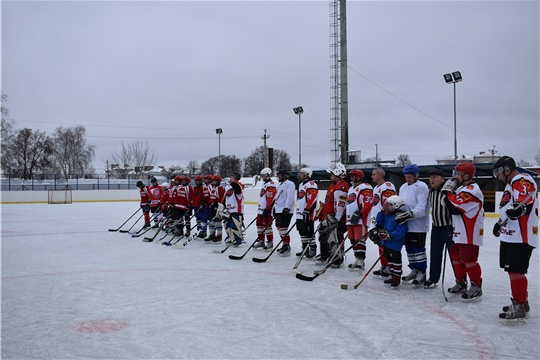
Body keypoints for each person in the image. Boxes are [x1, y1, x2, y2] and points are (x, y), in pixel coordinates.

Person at [492, 156, 538, 322]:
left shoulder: (522, 179)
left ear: (507, 169)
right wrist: (500, 223)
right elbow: (509, 208)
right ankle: (521, 301)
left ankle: (519, 306)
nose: (497, 175)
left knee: (516, 270)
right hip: (511, 235)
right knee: (512, 270)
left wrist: (521, 208)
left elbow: (523, 202)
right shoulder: (511, 184)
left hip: (521, 235)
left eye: (498, 171)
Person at [442, 162, 484, 302]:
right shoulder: (462, 189)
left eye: (459, 174)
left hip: (470, 232)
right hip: (460, 231)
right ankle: (461, 283)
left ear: (467, 175)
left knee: (469, 259)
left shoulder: (472, 190)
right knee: (455, 254)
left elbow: (456, 206)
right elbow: (451, 205)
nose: (456, 177)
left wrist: (448, 193)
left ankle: (476, 286)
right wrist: (449, 196)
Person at [395, 164, 430, 286]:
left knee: (418, 249)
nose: (407, 179)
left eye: (410, 177)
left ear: (416, 176)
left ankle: (422, 272)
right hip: (406, 224)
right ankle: (414, 270)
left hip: (418, 225)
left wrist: (409, 214)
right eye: (406, 177)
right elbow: (401, 202)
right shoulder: (403, 187)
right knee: (409, 249)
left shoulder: (421, 186)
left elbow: (422, 207)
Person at [369, 195, 408, 288]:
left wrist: (390, 235)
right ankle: (392, 275)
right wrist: (382, 212)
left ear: (397, 205)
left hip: (395, 243)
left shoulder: (400, 216)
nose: (386, 206)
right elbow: (379, 222)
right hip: (386, 242)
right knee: (389, 259)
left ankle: (397, 277)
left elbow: (401, 232)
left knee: (395, 260)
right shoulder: (388, 215)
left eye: (389, 205)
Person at [424, 169, 453, 289]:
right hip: (436, 228)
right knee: (435, 255)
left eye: (435, 177)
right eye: (430, 177)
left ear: (442, 179)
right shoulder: (430, 192)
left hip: (449, 228)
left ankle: (460, 280)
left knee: (454, 256)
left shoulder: (448, 192)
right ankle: (433, 278)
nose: (432, 179)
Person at [315, 162, 349, 267]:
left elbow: (341, 205)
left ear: (338, 174)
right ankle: (325, 255)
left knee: (335, 238)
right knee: (323, 236)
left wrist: (336, 219)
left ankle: (337, 259)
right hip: (328, 217)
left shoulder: (341, 187)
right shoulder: (333, 185)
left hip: (335, 219)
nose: (331, 176)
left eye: (332, 174)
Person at [369, 168, 397, 278]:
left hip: (385, 221)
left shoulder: (388, 186)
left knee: (386, 245)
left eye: (374, 174)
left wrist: (383, 221)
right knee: (379, 244)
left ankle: (389, 267)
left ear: (380, 175)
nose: (372, 176)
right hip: (378, 221)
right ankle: (384, 265)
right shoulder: (376, 187)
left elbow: (388, 206)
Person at [345, 169, 373, 271]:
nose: (351, 177)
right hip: (350, 219)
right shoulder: (351, 189)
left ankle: (361, 260)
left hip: (360, 219)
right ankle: (357, 259)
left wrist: (359, 214)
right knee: (352, 240)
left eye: (353, 176)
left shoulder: (366, 187)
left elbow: (368, 203)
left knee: (360, 240)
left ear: (358, 177)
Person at [294, 168, 319, 258]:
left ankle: (312, 248)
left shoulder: (312, 184)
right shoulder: (301, 184)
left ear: (307, 174)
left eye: (302, 173)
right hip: (300, 213)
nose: (300, 175)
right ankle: (305, 248)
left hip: (308, 212)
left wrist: (308, 210)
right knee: (301, 231)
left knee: (309, 231)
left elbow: (312, 198)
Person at [254, 168, 278, 250]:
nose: (262, 176)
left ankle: (270, 242)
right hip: (260, 209)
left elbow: (271, 197)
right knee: (259, 225)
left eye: (264, 175)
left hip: (267, 210)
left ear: (268, 175)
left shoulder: (271, 184)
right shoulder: (264, 183)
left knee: (267, 226)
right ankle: (261, 241)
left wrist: (268, 208)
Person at [273, 170, 296, 255]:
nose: (278, 177)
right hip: (279, 209)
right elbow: (277, 198)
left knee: (283, 227)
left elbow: (291, 196)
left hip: (285, 210)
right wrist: (274, 209)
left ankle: (287, 245)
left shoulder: (290, 184)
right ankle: (284, 244)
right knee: (279, 227)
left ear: (285, 175)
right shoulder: (280, 185)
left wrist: (287, 208)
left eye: (279, 175)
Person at [223, 172, 245, 246]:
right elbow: (225, 197)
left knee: (235, 226)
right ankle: (230, 237)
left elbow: (238, 191)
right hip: (229, 210)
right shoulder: (228, 186)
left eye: (232, 176)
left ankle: (237, 239)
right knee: (227, 225)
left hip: (236, 210)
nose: (230, 178)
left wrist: (234, 182)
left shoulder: (238, 185)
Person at [204, 175, 225, 243]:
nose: (214, 182)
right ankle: (212, 234)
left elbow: (221, 198)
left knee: (217, 221)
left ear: (219, 181)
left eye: (215, 181)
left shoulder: (220, 188)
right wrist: (209, 203)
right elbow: (211, 197)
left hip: (217, 207)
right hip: (212, 207)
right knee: (210, 221)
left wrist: (219, 207)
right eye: (213, 181)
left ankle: (219, 235)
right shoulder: (213, 188)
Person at [196, 174, 213, 238]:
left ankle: (212, 233)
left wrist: (209, 203)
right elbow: (204, 196)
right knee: (203, 218)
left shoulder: (210, 186)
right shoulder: (205, 187)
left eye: (207, 179)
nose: (205, 180)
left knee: (209, 219)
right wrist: (202, 202)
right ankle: (203, 231)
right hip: (205, 206)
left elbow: (211, 196)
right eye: (205, 179)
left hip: (210, 206)